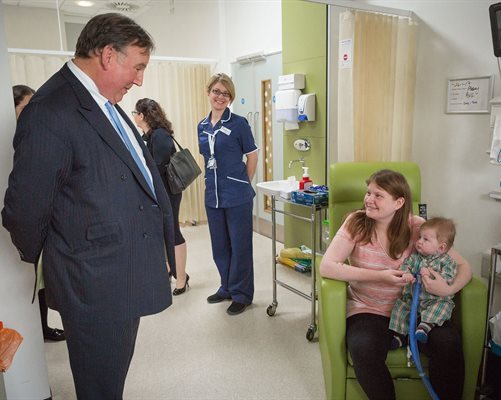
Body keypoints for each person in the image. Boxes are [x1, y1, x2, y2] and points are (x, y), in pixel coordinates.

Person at [2, 13, 176, 399]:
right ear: (108, 56)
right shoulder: (51, 110)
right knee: (101, 388)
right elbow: (23, 211)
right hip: (95, 281)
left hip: (120, 274)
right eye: (137, 67)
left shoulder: (102, 103)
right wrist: (65, 259)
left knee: (111, 380)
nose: (139, 80)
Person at [319, 169, 471, 400]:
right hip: (369, 308)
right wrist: (379, 276)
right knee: (364, 350)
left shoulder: (419, 228)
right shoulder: (356, 223)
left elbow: (464, 267)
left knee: (449, 344)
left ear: (399, 202)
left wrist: (447, 289)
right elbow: (327, 266)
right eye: (368, 193)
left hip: (417, 311)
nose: (368, 200)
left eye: (378, 195)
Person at [197, 72, 258, 316]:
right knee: (220, 246)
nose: (220, 97)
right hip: (213, 194)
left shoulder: (239, 123)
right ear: (208, 92)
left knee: (240, 246)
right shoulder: (202, 125)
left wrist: (243, 182)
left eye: (225, 93)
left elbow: (252, 156)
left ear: (230, 97)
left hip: (237, 195)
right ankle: (227, 287)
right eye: (216, 91)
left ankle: (242, 294)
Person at [12, 84, 65, 342]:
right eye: (25, 108)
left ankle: (42, 327)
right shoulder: (15, 144)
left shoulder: (40, 137)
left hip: (46, 227)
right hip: (24, 230)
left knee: (42, 282)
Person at [133, 98, 189, 295]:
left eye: (135, 113)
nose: (134, 116)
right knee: (160, 232)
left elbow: (157, 167)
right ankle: (168, 270)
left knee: (173, 231)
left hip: (168, 192)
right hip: (157, 193)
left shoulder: (160, 136)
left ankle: (181, 277)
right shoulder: (147, 136)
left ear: (142, 115)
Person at [389, 217, 458, 348]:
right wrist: (406, 274)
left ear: (441, 247)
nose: (419, 242)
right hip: (412, 300)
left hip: (435, 300)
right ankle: (399, 336)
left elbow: (448, 278)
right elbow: (405, 267)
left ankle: (425, 326)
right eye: (420, 237)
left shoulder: (448, 262)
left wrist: (431, 275)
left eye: (425, 239)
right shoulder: (414, 258)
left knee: (443, 307)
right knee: (400, 307)